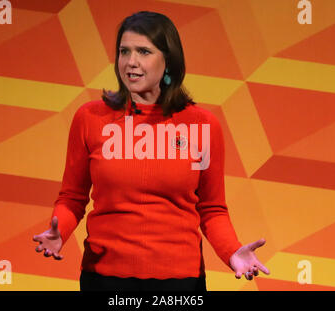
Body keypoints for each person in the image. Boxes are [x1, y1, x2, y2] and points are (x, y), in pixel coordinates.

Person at [33, 11, 269, 291]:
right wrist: (60, 231)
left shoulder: (202, 125)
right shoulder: (90, 118)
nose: (130, 62)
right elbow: (72, 198)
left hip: (180, 283)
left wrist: (232, 252)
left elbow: (212, 209)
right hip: (104, 279)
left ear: (168, 60)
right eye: (124, 51)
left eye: (143, 51)